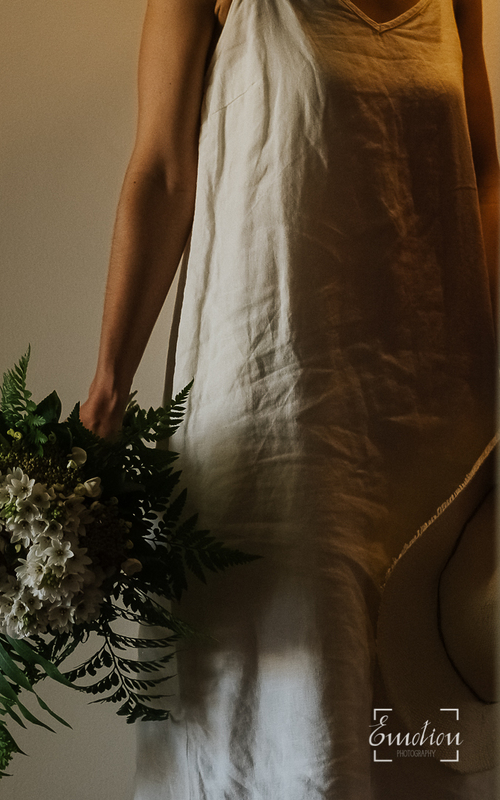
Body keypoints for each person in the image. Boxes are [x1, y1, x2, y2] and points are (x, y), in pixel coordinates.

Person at [80, 0, 498, 798]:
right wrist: (107, 390)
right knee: (294, 721)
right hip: (283, 416)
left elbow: (483, 174)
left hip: (436, 425)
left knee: (415, 723)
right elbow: (161, 171)